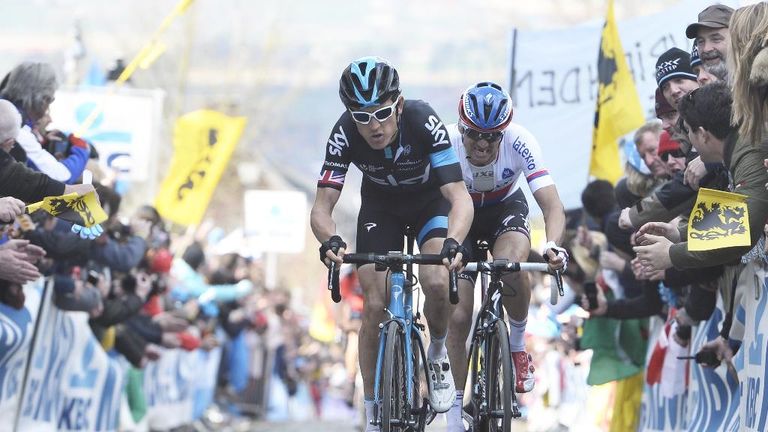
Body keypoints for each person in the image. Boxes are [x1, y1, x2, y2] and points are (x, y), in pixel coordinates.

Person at [309, 57, 473, 431]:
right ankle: (371, 413)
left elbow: (459, 197)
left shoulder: (422, 120)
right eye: (362, 117)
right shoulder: (344, 133)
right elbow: (321, 208)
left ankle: (436, 353)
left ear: (398, 105)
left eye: (382, 113)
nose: (374, 126)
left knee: (434, 281)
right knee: (374, 304)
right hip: (381, 208)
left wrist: (453, 242)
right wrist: (330, 239)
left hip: (430, 202)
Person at [444, 82, 567, 432]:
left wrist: (554, 244)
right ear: (462, 128)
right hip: (460, 214)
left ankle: (516, 346)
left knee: (511, 265)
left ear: (504, 132)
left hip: (504, 209)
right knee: (459, 313)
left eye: (492, 137)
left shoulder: (521, 141)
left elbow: (552, 205)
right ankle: (454, 414)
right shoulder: (446, 143)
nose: (482, 144)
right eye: (474, 136)